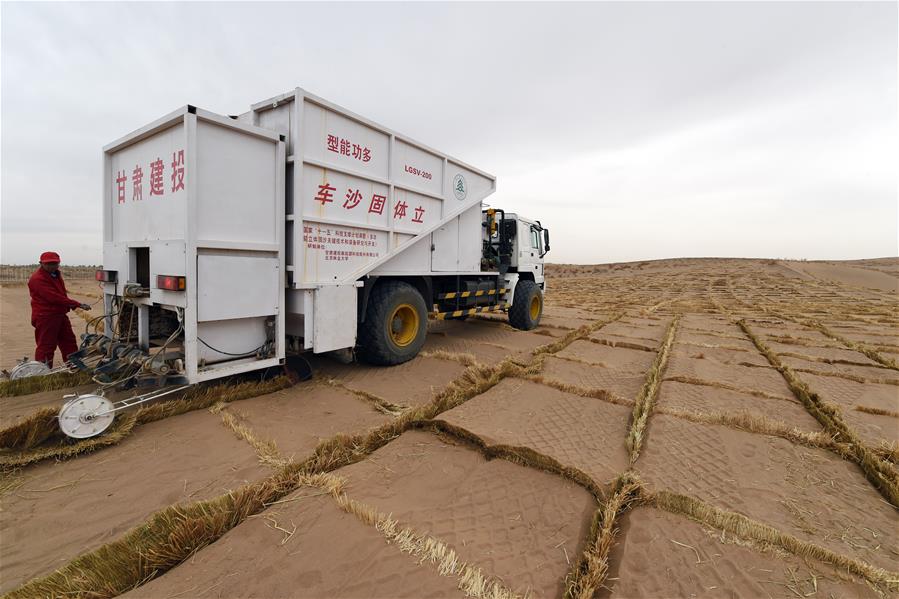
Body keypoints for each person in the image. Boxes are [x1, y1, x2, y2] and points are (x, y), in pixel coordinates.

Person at [27, 251, 92, 367]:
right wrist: (76, 304)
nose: (52, 266)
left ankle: (74, 366)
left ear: (59, 263)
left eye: (55, 263)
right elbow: (54, 298)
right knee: (47, 345)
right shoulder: (37, 279)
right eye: (49, 264)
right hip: (46, 316)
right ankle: (43, 372)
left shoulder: (55, 274)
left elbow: (61, 295)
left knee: (69, 341)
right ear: (41, 263)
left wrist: (71, 305)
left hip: (59, 314)